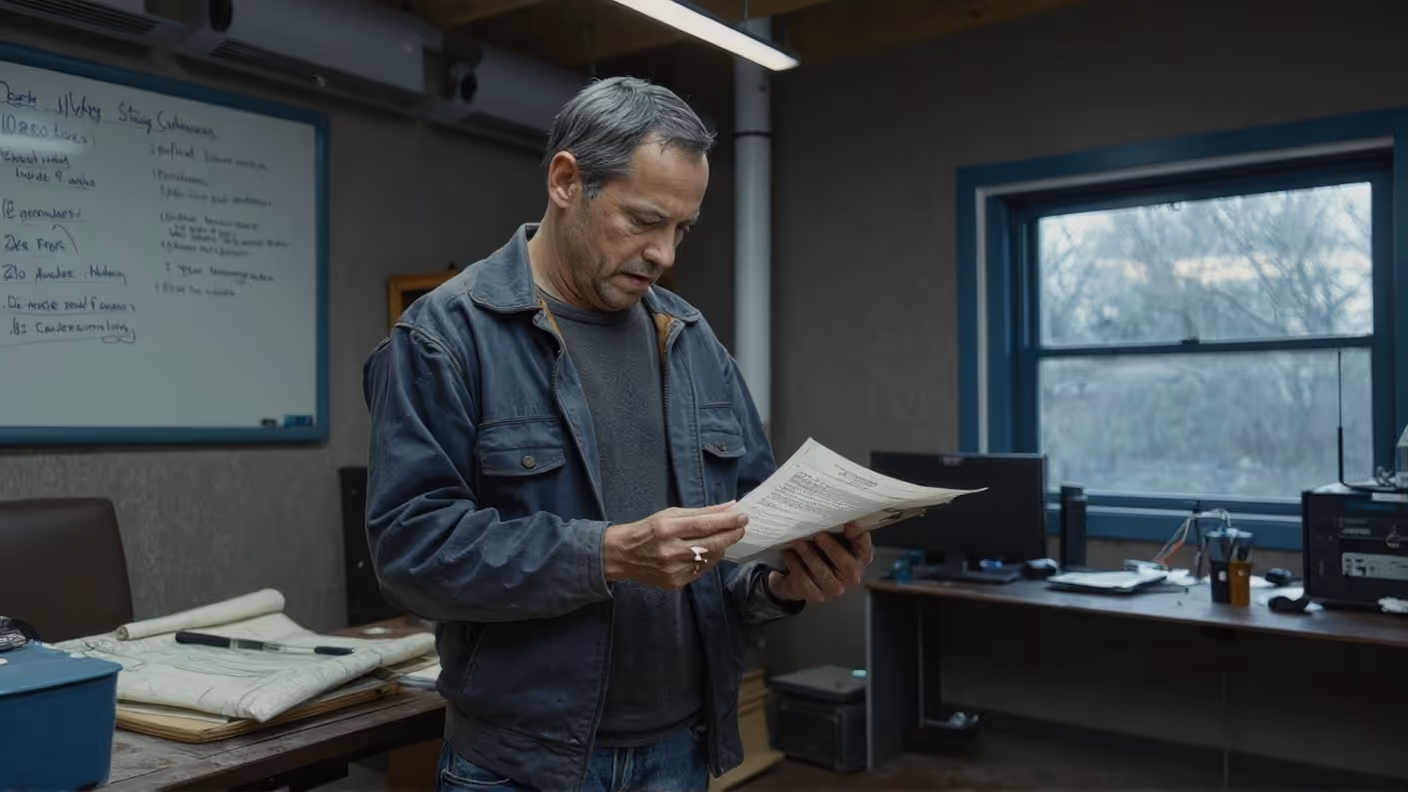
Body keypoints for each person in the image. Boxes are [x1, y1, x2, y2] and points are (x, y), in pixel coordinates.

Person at [362, 76, 875, 792]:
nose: (665, 253)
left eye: (681, 228)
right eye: (644, 220)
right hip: (519, 765)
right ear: (567, 181)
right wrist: (606, 554)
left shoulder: (694, 343)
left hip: (680, 754)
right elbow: (411, 554)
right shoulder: (446, 337)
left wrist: (784, 582)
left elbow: (736, 544)